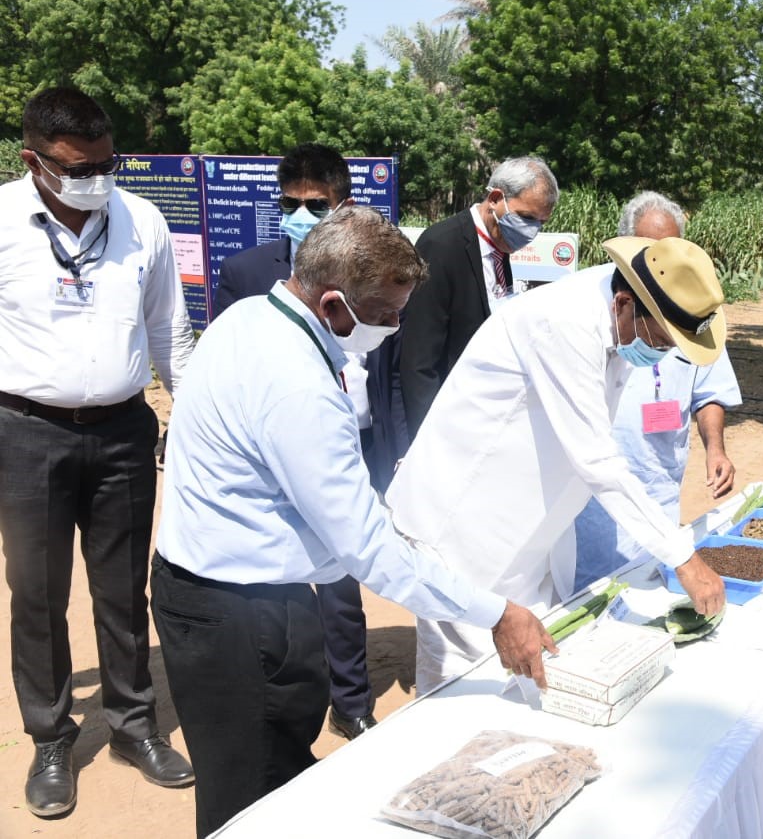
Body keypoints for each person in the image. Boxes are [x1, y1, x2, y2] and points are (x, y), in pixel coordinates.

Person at [150, 206, 554, 837]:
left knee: (270, 777)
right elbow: (370, 554)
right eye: (387, 315)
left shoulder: (248, 316)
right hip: (241, 615)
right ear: (335, 305)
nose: (395, 328)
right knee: (253, 801)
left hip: (211, 590)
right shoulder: (300, 387)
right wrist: (498, 612)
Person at [386, 235, 729, 691]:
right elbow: (597, 458)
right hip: (465, 533)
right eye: (661, 341)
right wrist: (683, 557)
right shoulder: (562, 321)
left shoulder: (618, 315)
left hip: (528, 533)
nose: (660, 353)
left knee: (530, 679)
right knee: (467, 689)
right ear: (625, 302)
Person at [0, 88, 196, 818]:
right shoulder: (2, 223)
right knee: (38, 594)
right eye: (79, 168)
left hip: (121, 430)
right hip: (25, 433)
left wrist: (195, 421)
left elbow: (171, 331)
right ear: (34, 161)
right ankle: (51, 739)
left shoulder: (140, 219)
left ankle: (133, 726)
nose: (96, 178)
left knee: (122, 590)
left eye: (108, 162)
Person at [210, 143, 402, 741]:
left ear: (342, 201)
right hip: (273, 451)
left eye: (314, 204)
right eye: (289, 202)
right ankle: (277, 699)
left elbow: (396, 362)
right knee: (278, 579)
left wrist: (398, 447)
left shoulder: (376, 270)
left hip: (357, 436)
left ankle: (350, 700)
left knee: (344, 570)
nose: (299, 214)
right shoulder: (245, 273)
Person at [573, 191, 742, 591]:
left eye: (666, 250)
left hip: (659, 483)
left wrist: (715, 449)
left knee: (653, 587)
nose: (657, 263)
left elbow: (710, 390)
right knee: (590, 596)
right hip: (592, 499)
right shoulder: (595, 304)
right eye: (647, 250)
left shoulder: (693, 308)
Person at [399, 156, 559, 437]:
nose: (532, 231)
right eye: (527, 218)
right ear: (496, 198)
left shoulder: (500, 247)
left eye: (541, 223)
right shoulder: (442, 245)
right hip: (445, 421)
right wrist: (428, 439)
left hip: (481, 418)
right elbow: (419, 361)